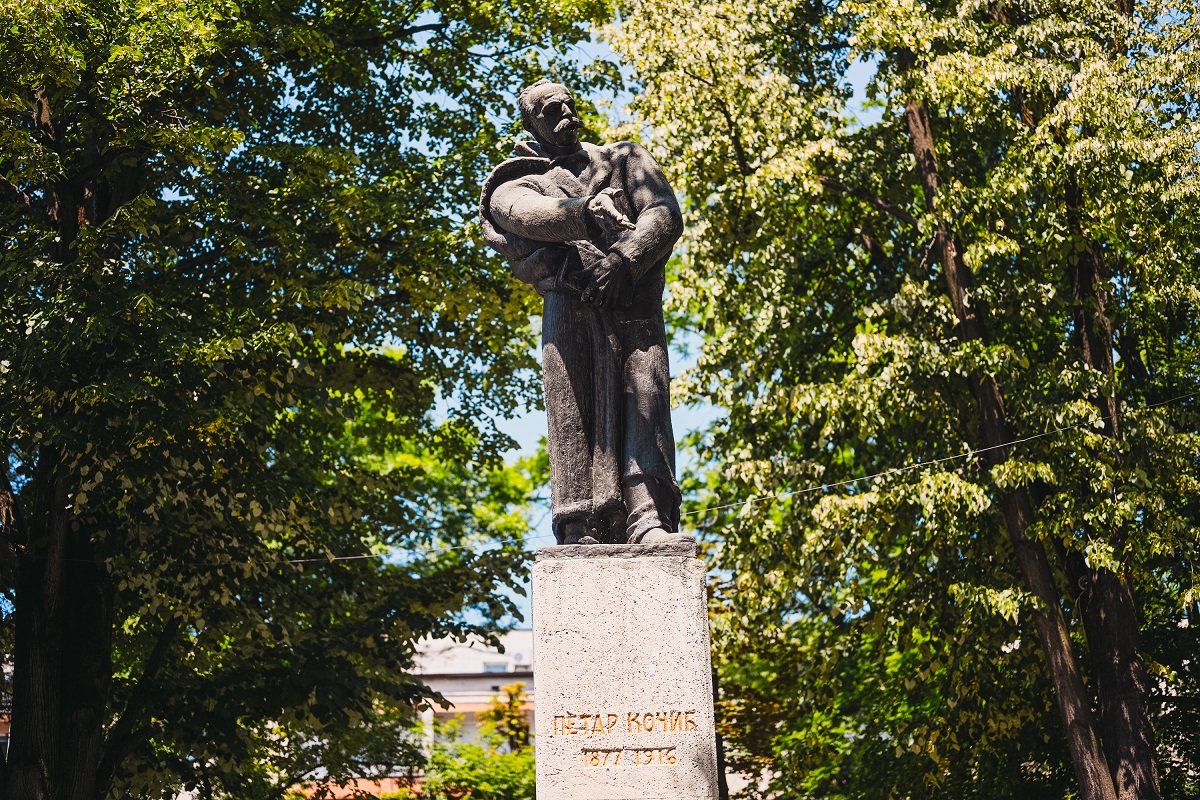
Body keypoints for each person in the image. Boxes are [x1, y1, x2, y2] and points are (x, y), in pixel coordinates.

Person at [479, 80, 690, 546]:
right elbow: (524, 213)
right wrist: (584, 210)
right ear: (531, 124)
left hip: (633, 304)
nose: (565, 113)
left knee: (647, 400)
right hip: (570, 309)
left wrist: (624, 260)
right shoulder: (514, 182)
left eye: (568, 104)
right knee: (572, 409)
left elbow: (664, 213)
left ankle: (649, 517)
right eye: (550, 110)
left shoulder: (626, 158)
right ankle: (578, 527)